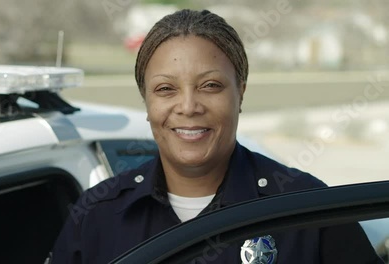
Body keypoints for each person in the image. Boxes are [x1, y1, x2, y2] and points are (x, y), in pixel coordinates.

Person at [49, 9, 383, 264]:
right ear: (146, 102)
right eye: (166, 89)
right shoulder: (95, 215)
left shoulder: (307, 210)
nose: (189, 106)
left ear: (241, 93)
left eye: (211, 86)